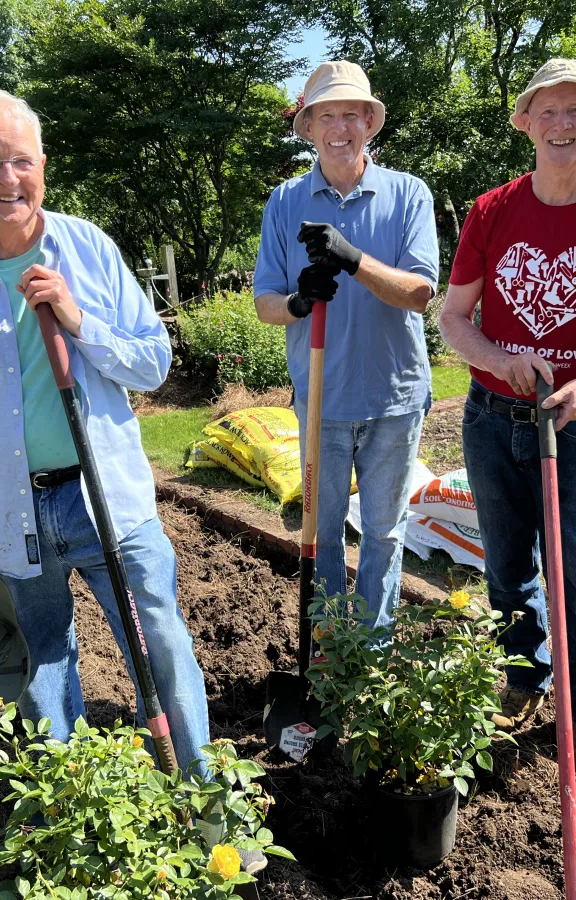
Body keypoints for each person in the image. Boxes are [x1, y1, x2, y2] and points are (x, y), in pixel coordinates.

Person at [0, 89, 209, 770]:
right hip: (4, 515)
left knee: (163, 655)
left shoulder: (87, 249)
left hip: (106, 503)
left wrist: (77, 318)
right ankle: (69, 815)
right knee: (42, 673)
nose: (8, 179)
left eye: (21, 161)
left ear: (43, 166)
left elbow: (154, 363)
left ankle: (209, 803)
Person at [254, 61, 440, 629]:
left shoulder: (408, 194)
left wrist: (352, 259)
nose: (340, 127)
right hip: (322, 402)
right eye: (325, 115)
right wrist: (299, 303)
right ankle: (331, 645)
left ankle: (372, 651)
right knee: (322, 532)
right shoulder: (285, 203)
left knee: (383, 532)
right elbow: (266, 303)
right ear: (308, 127)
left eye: (351, 115)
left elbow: (419, 292)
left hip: (394, 399)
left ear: (369, 123)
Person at [441, 58, 576, 731]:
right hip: (492, 420)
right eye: (547, 110)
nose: (562, 123)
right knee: (507, 567)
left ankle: (575, 707)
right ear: (525, 122)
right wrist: (498, 359)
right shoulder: (492, 211)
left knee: (573, 570)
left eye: (574, 109)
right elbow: (453, 317)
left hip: (572, 428)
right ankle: (525, 675)